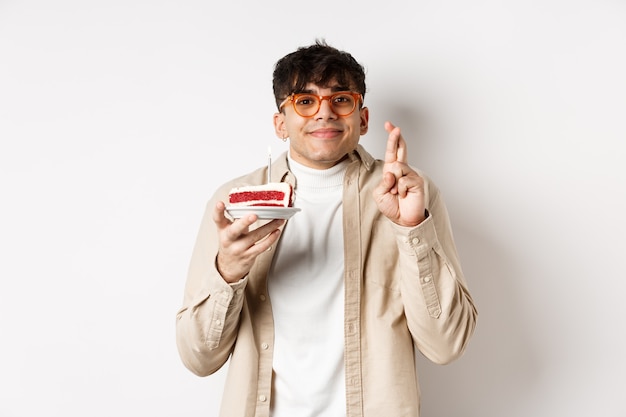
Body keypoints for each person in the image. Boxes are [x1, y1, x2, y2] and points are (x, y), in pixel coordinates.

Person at [176, 40, 478, 417]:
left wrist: (412, 228)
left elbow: (447, 345)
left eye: (340, 100)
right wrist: (229, 271)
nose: (324, 114)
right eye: (305, 101)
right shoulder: (235, 204)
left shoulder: (409, 194)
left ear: (362, 119)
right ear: (280, 123)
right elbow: (198, 358)